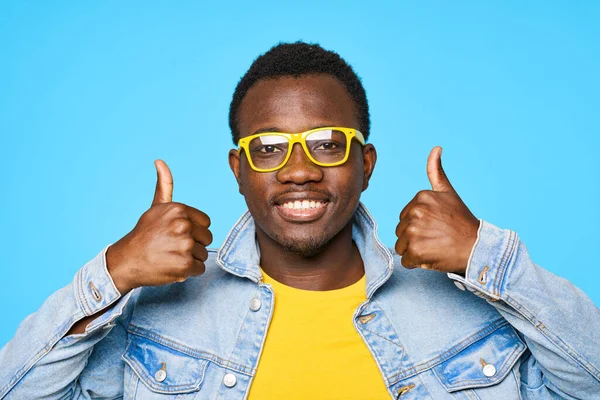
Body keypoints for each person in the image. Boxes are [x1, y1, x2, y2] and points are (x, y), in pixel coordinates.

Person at [1, 41, 599, 400]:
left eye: (326, 144)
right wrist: (115, 272)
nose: (298, 170)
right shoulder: (156, 319)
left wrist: (485, 256)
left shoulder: (465, 313)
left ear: (365, 164)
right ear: (238, 169)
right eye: (268, 148)